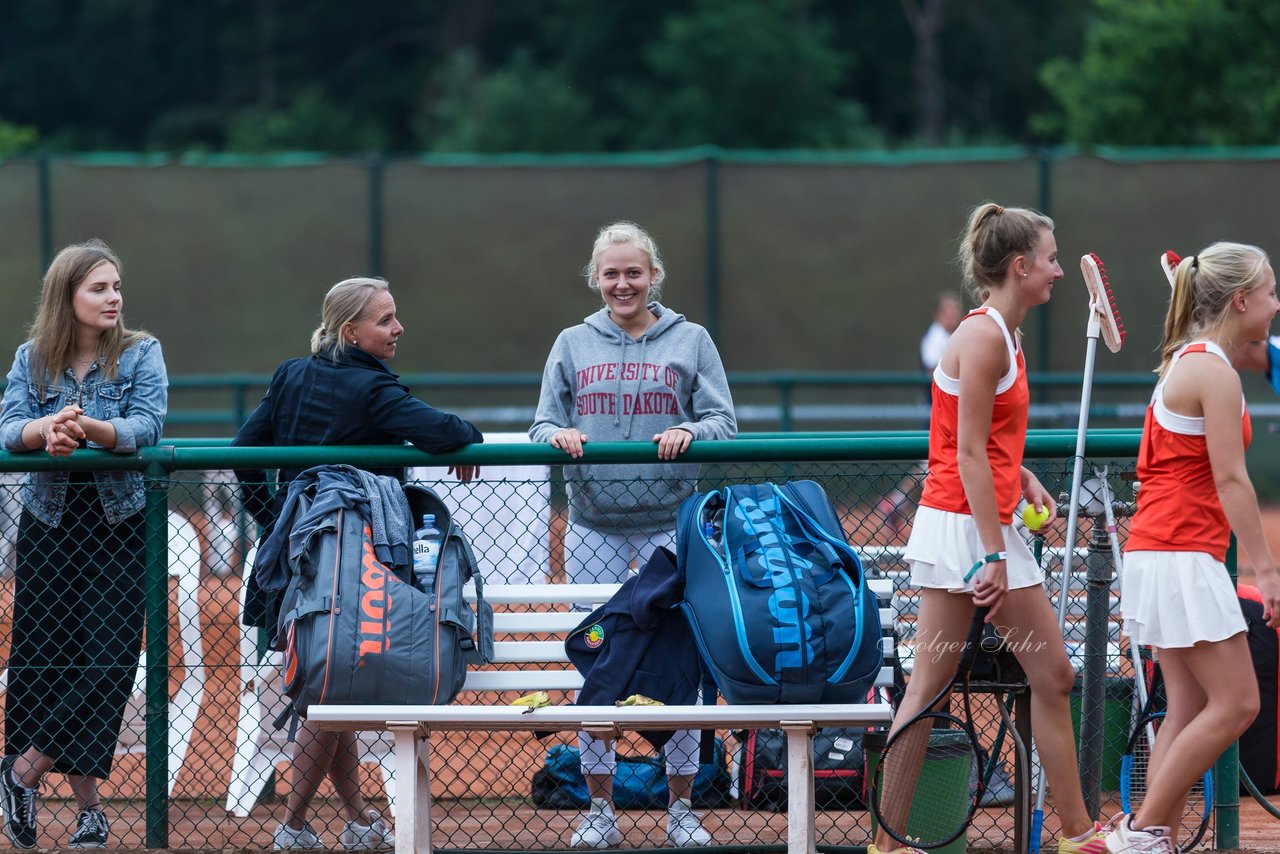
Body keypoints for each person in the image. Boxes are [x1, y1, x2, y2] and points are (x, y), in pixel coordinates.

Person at [870, 203, 1107, 854]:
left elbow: (981, 444)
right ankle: (1078, 836)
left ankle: (887, 848)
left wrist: (1022, 474)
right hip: (971, 532)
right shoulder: (981, 338)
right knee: (1048, 675)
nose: (1060, 271)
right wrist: (994, 555)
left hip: (970, 523)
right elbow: (967, 453)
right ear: (1021, 266)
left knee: (931, 686)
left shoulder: (1003, 334)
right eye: (1052, 259)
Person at [233, 276, 483, 851]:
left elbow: (243, 448)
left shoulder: (292, 373)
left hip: (298, 556)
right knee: (332, 687)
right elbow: (440, 431)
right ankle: (293, 826)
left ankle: (357, 820)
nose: (398, 329)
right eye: (386, 320)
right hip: (351, 559)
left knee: (327, 680)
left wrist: (271, 516)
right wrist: (467, 435)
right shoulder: (372, 389)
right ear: (351, 332)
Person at [529, 221, 736, 849]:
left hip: (669, 530)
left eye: (634, 273)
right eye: (611, 274)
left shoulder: (691, 339)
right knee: (601, 666)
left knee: (675, 665)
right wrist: (558, 437)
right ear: (596, 279)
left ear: (654, 277)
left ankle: (682, 810)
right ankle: (599, 809)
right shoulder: (571, 342)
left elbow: (723, 421)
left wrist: (691, 432)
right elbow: (541, 424)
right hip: (593, 524)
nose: (623, 284)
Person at [1107, 244, 1280, 854]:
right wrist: (1267, 570)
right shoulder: (1212, 369)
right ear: (1240, 301)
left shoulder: (1189, 360)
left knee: (1184, 710)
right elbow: (1233, 481)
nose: (1276, 306)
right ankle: (1140, 831)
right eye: (1270, 294)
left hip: (1163, 551)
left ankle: (1156, 841)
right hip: (1180, 553)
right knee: (1236, 703)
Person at [0, 239, 168, 850]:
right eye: (99, 288)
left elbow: (147, 425)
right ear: (65, 296)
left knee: (110, 660)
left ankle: (23, 772)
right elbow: (8, 426)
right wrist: (45, 428)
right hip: (49, 526)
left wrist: (86, 429)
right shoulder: (31, 358)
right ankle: (89, 810)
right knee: (47, 660)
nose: (113, 298)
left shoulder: (142, 352)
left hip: (120, 526)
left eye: (116, 286)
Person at [878, 292, 964, 531]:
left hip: (949, 414)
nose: (954, 314)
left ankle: (895, 504)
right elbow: (933, 374)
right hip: (936, 413)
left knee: (930, 466)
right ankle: (908, 508)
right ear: (937, 314)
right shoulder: (935, 339)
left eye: (956, 309)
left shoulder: (952, 337)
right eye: (948, 310)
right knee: (932, 466)